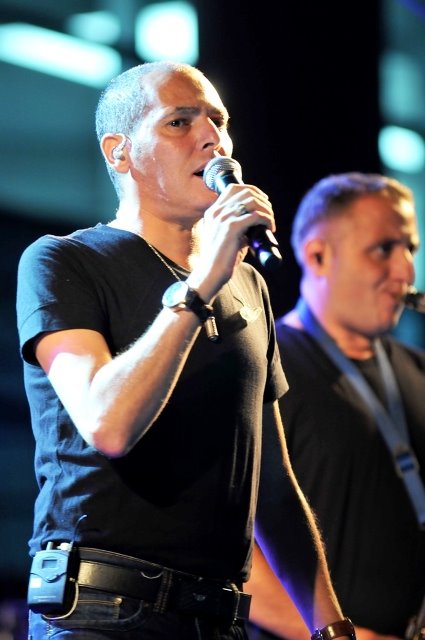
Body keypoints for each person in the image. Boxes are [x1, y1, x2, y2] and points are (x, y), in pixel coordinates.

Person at [16, 61, 354, 640]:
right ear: (120, 152)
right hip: (102, 610)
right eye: (179, 121)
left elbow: (272, 481)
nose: (212, 138)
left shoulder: (246, 285)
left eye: (219, 121)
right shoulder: (64, 260)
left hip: (217, 617)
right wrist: (199, 288)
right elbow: (107, 424)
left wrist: (332, 629)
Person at [245, 172, 425, 640]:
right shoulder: (259, 368)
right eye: (384, 249)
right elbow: (225, 547)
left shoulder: (418, 369)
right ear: (317, 256)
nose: (406, 272)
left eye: (410, 249)